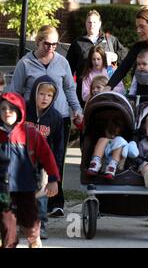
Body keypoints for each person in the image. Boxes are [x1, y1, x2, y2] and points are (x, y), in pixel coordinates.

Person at [9, 25, 83, 218]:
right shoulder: (25, 63)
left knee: (57, 158)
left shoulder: (62, 62)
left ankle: (56, 202)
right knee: (30, 160)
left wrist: (77, 109)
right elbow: (15, 92)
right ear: (38, 42)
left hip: (59, 119)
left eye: (55, 44)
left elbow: (69, 89)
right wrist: (12, 117)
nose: (51, 48)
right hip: (33, 120)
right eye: (47, 44)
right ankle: (29, 202)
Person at [0, 92, 60, 248]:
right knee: (8, 223)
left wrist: (53, 179)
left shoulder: (30, 133)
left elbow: (47, 156)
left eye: (12, 109)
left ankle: (34, 240)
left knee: (31, 220)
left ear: (20, 111)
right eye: (3, 108)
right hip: (3, 189)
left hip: (25, 187)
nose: (7, 112)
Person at [25, 76, 64, 240]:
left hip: (43, 165)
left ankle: (40, 226)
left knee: (41, 196)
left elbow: (59, 147)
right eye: (41, 94)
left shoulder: (55, 117)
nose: (45, 98)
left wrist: (55, 175)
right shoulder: (24, 111)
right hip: (22, 161)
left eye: (49, 95)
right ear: (34, 93)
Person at [66, 9, 128, 107]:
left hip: (109, 94)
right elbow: (68, 68)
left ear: (99, 24)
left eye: (94, 22)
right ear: (85, 24)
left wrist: (114, 58)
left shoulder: (110, 40)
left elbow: (125, 57)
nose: (92, 25)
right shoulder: (78, 43)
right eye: (89, 22)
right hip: (86, 94)